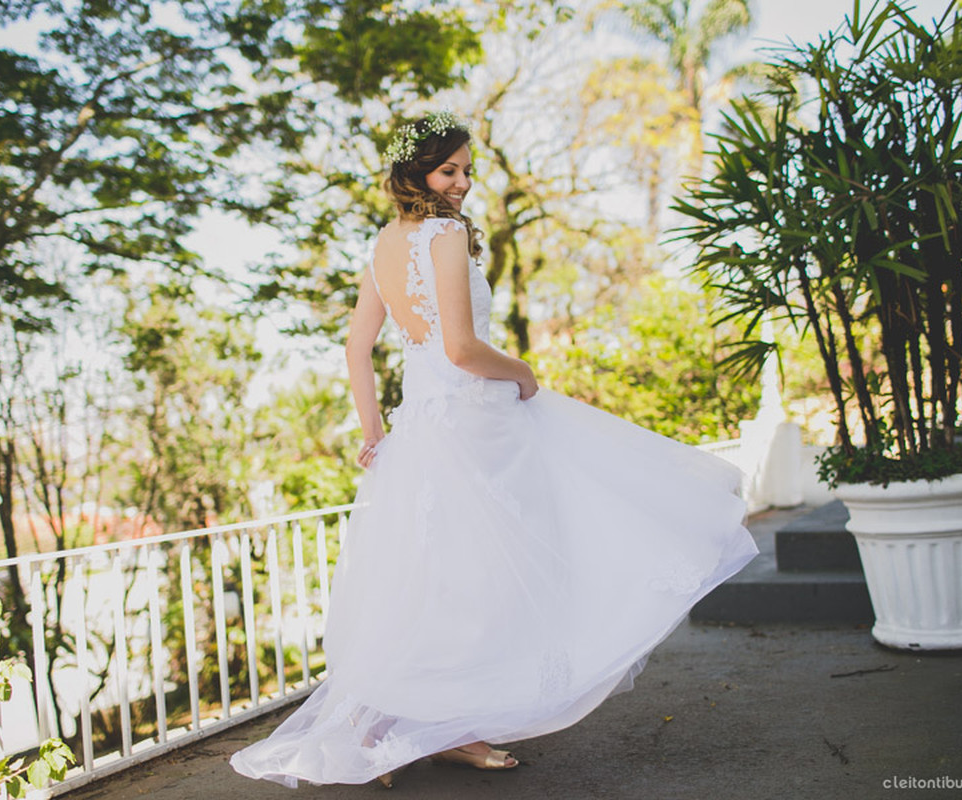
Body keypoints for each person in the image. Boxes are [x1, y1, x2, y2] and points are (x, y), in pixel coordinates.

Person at [230, 110, 758, 788]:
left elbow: (358, 346)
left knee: (439, 575)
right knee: (489, 573)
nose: (462, 183)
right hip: (475, 421)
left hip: (421, 427)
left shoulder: (382, 244)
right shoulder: (445, 234)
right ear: (416, 170)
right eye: (449, 169)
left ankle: (430, 727)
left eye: (468, 170)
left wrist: (373, 432)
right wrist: (524, 374)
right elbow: (460, 348)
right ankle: (440, 726)